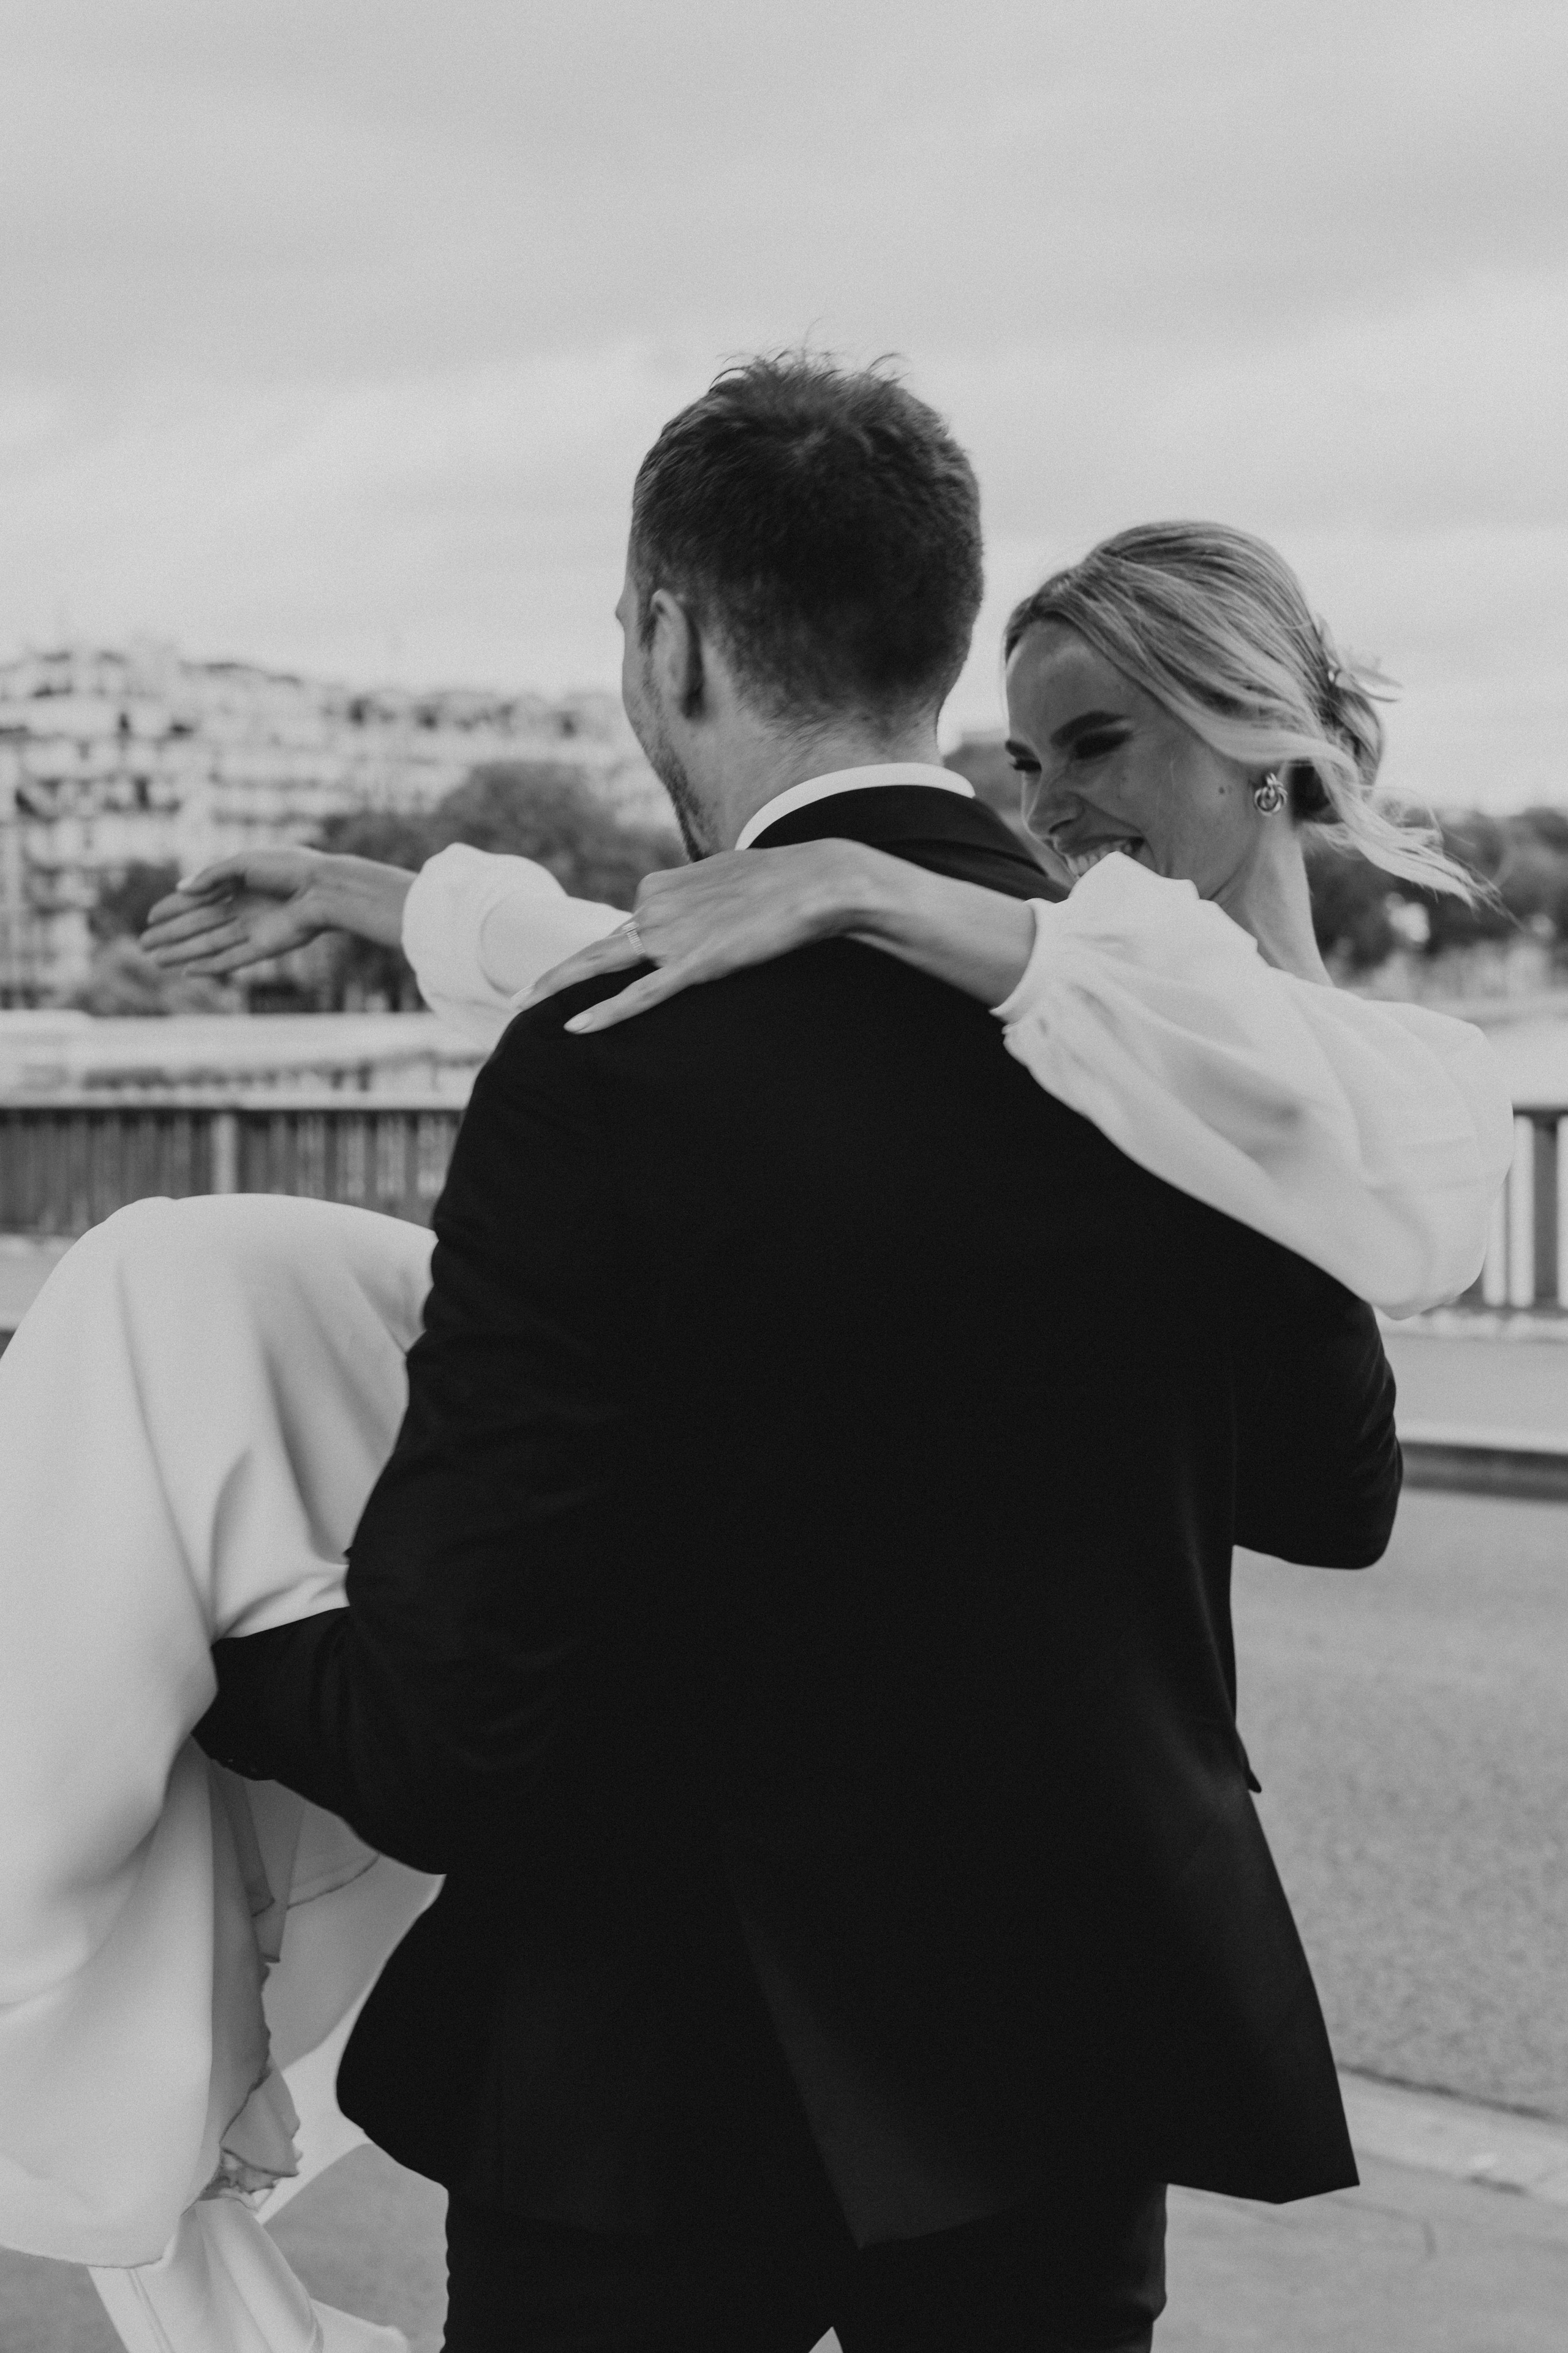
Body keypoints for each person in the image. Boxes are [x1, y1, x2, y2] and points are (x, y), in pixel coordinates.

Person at [176, 355, 1405, 2351]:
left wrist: (188, 1653)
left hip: (644, 2082)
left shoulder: (615, 1065)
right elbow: (1332, 1493)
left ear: (667, 640)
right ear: (939, 649)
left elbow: (452, 1717)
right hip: (1057, 2048)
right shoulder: (1177, 1035)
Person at [142, 534, 1511, 1322]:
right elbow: (664, 957)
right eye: (1028, 768)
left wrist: (864, 880)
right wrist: (369, 894)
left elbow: (1353, 1138)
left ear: (1255, 742)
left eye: (1096, 746)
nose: (1054, 814)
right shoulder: (1030, 976)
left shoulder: (1388, 1080)